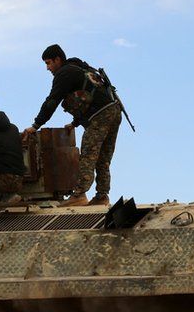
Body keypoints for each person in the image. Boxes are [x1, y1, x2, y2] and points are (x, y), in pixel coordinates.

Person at [22, 44, 123, 207]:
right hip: (113, 111)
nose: (48, 68)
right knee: (103, 158)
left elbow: (52, 101)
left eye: (49, 63)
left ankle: (79, 194)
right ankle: (102, 195)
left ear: (58, 59)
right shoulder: (79, 68)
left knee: (88, 155)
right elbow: (89, 96)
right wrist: (75, 123)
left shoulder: (64, 73)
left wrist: (36, 125)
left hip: (100, 116)